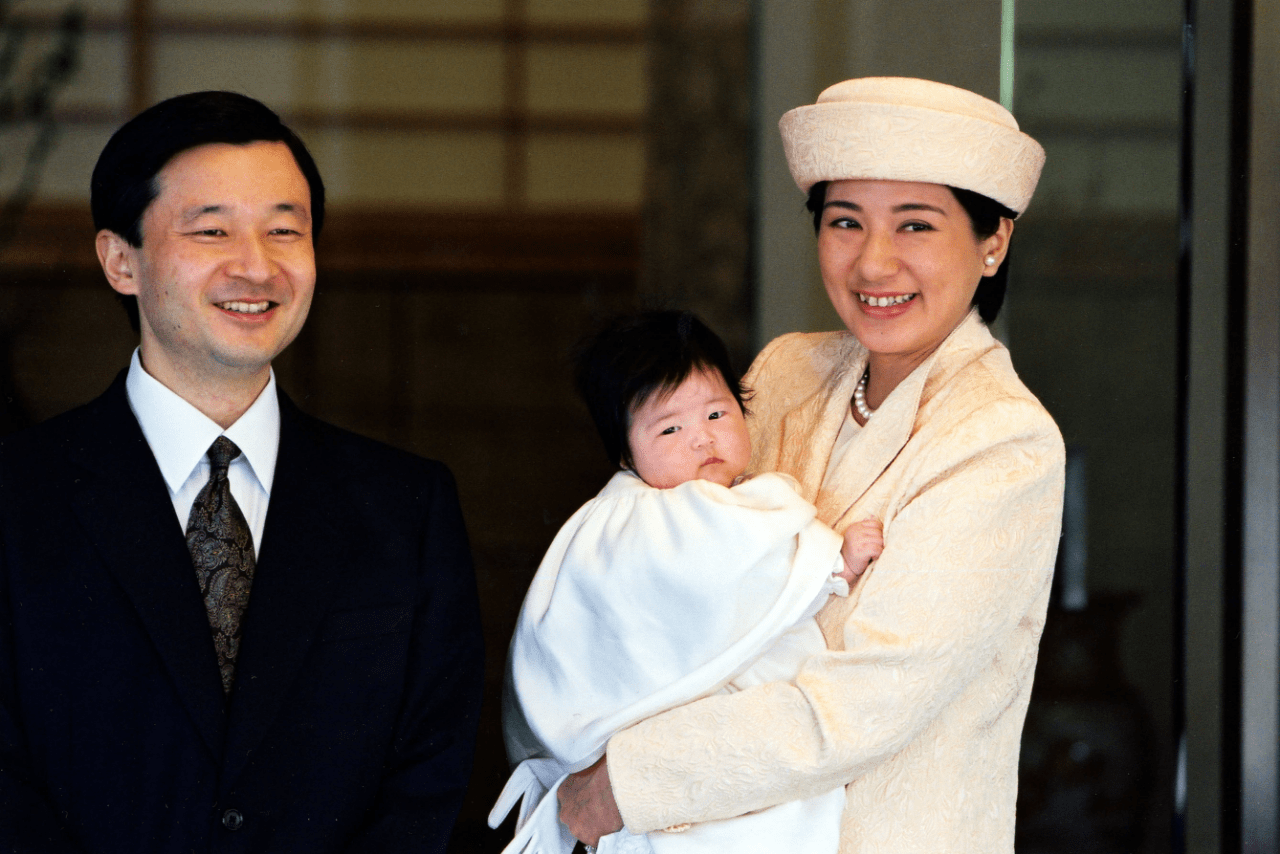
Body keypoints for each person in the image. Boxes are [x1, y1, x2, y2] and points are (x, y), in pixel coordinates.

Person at [557, 77, 1065, 854]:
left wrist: (627, 783)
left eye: (917, 225)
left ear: (994, 240)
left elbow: (867, 699)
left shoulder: (1000, 440)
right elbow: (679, 546)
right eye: (845, 222)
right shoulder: (789, 371)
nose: (874, 262)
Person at [0, 91, 484, 853]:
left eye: (285, 231)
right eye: (213, 229)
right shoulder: (15, 498)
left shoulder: (406, 508)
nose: (256, 266)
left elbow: (434, 766)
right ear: (120, 261)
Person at [490, 311, 882, 854]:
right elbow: (716, 583)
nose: (702, 438)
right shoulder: (658, 517)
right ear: (626, 452)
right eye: (671, 428)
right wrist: (829, 564)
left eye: (718, 413)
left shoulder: (698, 504)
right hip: (656, 757)